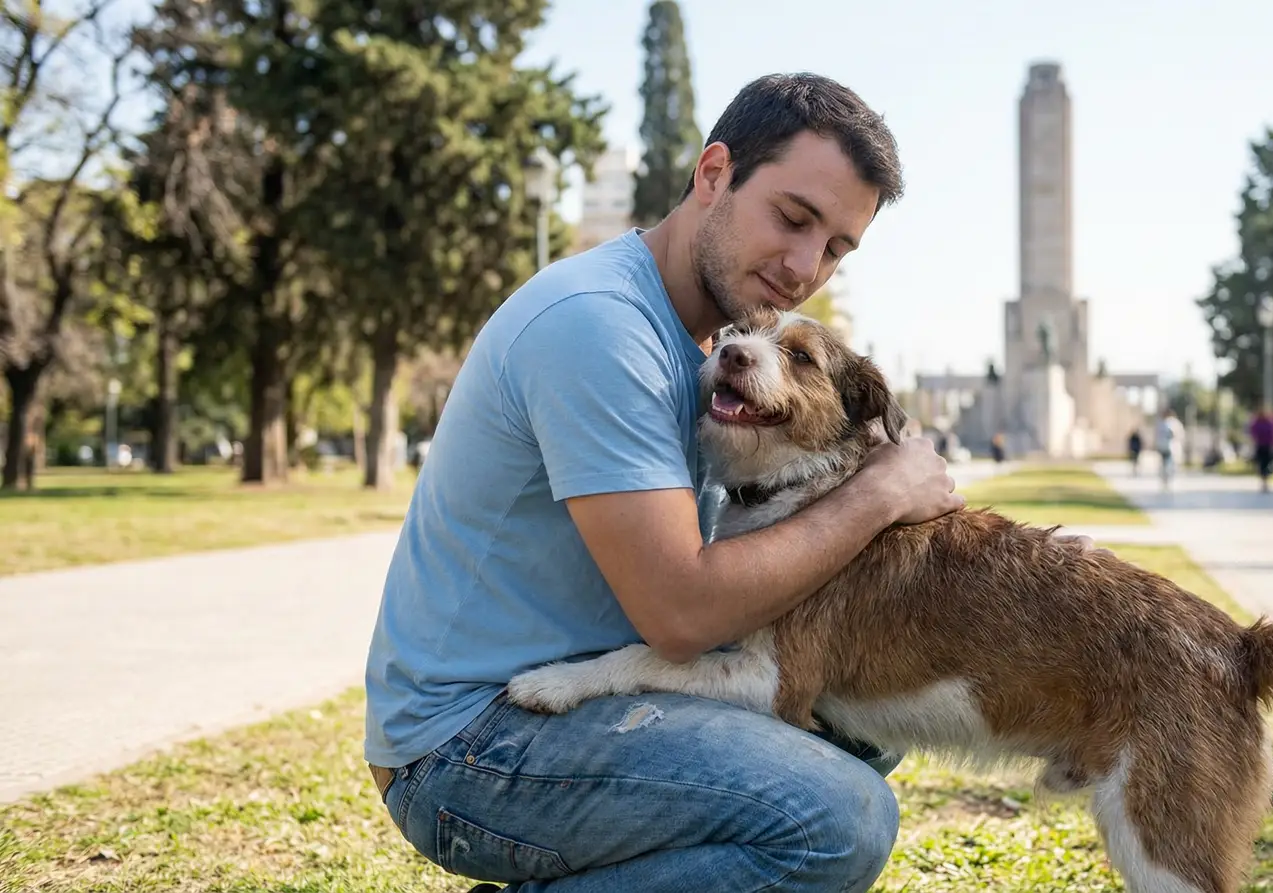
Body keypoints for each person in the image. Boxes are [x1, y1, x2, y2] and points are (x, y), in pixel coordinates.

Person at [362, 73, 966, 893]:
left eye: (834, 248)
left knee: (864, 718)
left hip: (578, 697)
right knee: (836, 819)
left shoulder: (715, 352)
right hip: (469, 739)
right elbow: (682, 613)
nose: (804, 266)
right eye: (792, 218)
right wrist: (884, 493)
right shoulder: (599, 325)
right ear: (713, 174)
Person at [1247, 406, 1273, 492]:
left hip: (1265, 446)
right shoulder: (1262, 423)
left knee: (1264, 463)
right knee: (1263, 463)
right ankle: (1264, 480)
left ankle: (1265, 480)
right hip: (1262, 446)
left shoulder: (1264, 423)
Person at [1153, 409, 1183, 490]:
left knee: (1166, 463)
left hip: (1166, 446)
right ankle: (1167, 479)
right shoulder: (1173, 423)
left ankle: (1166, 480)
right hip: (1169, 447)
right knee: (1168, 463)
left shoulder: (1163, 423)